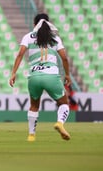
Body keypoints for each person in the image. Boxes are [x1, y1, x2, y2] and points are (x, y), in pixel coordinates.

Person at [9, 13, 71, 142]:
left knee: (34, 106)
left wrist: (13, 73)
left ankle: (31, 135)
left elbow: (20, 54)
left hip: (34, 76)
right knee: (63, 103)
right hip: (52, 76)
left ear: (34, 24)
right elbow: (64, 58)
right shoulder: (55, 38)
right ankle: (60, 123)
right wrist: (67, 75)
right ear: (48, 24)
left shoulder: (28, 37)